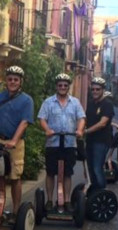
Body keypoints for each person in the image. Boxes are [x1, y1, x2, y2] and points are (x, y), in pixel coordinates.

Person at [0, 66, 34, 217]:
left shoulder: (27, 100)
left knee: (15, 177)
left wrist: (14, 140)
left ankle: (16, 211)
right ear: (6, 81)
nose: (12, 82)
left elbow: (25, 122)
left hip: (15, 143)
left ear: (21, 82)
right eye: (10, 79)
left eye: (16, 79)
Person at [37, 73, 86, 212]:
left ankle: (67, 200)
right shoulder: (48, 102)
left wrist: (80, 130)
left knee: (67, 174)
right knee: (50, 172)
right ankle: (49, 200)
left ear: (68, 86)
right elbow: (42, 118)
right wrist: (47, 129)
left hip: (69, 143)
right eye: (60, 85)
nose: (62, 87)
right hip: (53, 143)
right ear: (56, 86)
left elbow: (81, 118)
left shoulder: (75, 102)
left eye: (65, 85)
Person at [85, 77, 114, 191]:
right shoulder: (90, 103)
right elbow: (86, 119)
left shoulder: (107, 104)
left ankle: (102, 192)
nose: (95, 91)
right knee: (90, 168)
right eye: (93, 89)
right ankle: (94, 192)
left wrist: (86, 131)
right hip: (90, 140)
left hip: (101, 141)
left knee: (97, 168)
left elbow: (103, 123)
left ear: (103, 90)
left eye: (98, 89)